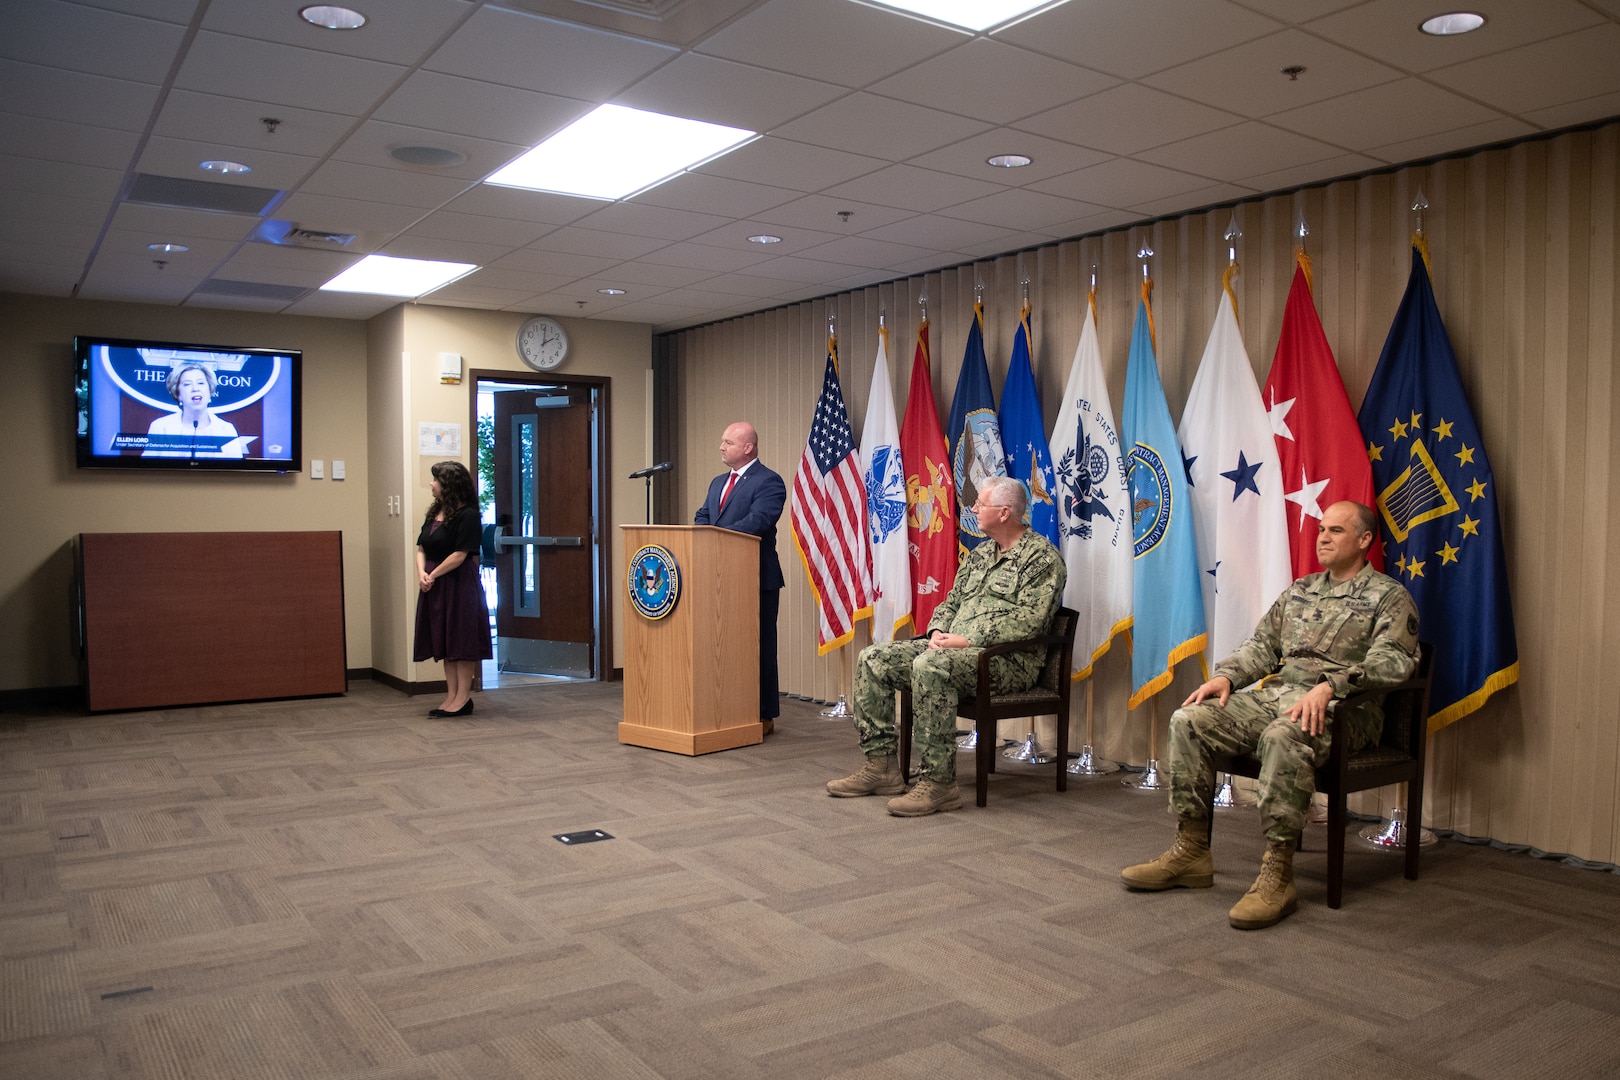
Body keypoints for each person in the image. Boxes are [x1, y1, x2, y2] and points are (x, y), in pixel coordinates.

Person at [1122, 500, 1420, 929]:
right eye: (1321, 529)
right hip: (1280, 698)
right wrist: (1226, 677)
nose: (1323, 537)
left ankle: (1278, 873)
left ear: (1365, 540)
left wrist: (1331, 685)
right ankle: (1191, 851)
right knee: (1190, 721)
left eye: (1336, 530)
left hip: (1345, 712)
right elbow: (1262, 647)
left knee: (1284, 735)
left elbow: (1395, 664)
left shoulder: (1389, 597)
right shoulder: (1302, 590)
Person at [828, 475, 1066, 816]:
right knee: (874, 658)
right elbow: (951, 601)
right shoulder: (982, 554)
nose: (972, 509)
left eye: (980, 504)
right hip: (954, 648)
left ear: (1003, 513)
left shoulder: (1043, 559)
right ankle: (881, 768)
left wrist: (967, 640)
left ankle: (939, 785)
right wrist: (937, 631)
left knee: (929, 667)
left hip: (1006, 662)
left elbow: (1031, 622)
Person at [694, 421, 787, 734]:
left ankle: (763, 713)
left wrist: (717, 537)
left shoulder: (769, 481)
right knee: (725, 645)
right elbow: (702, 516)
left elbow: (758, 521)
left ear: (748, 447)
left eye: (728, 442)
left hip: (756, 578)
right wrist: (705, 536)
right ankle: (729, 707)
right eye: (722, 441)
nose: (721, 447)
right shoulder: (717, 482)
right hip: (719, 579)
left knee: (758, 646)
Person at [414, 460, 492, 717]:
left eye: (435, 480)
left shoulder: (468, 515)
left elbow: (460, 554)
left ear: (449, 484)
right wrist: (422, 574)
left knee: (461, 640)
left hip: (458, 583)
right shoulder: (434, 512)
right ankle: (450, 696)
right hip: (434, 583)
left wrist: (432, 575)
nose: (431, 484)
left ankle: (462, 698)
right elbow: (421, 547)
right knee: (445, 640)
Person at [143, 363, 245, 458]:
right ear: (178, 394)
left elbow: (235, 474)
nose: (195, 388)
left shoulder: (226, 430)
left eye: (201, 383)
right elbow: (147, 470)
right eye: (187, 384)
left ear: (210, 391)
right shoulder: (160, 427)